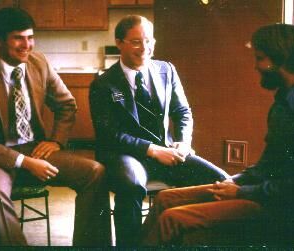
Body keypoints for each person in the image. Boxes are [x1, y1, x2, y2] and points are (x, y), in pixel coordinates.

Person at [141, 23, 294, 246]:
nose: (256, 66)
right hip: (263, 191)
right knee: (165, 198)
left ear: (278, 59)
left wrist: (242, 192)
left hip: (282, 206)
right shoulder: (282, 101)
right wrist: (234, 181)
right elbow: (268, 165)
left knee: (173, 218)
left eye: (259, 58)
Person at [0, 7, 110, 246]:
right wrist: (26, 162)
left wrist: (55, 141)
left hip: (35, 149)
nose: (27, 45)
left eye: (30, 37)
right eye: (18, 38)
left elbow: (67, 105)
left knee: (94, 172)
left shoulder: (39, 62)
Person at [89, 15, 229, 246]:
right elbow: (109, 134)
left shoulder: (167, 70)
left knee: (219, 180)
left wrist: (183, 142)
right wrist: (152, 150)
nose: (144, 48)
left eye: (148, 40)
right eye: (135, 42)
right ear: (119, 43)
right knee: (132, 186)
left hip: (168, 151)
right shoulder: (103, 83)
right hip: (125, 155)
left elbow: (183, 111)